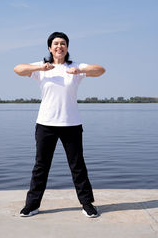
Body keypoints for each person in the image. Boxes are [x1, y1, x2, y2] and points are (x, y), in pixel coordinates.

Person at [14, 32, 105, 218]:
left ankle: (87, 204)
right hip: (45, 124)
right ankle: (32, 205)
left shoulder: (75, 67)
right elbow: (18, 69)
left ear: (67, 47)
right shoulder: (42, 68)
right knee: (41, 166)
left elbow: (100, 70)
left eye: (63, 43)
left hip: (71, 124)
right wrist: (40, 67)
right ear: (50, 48)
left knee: (77, 165)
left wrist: (80, 72)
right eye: (55, 43)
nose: (59, 46)